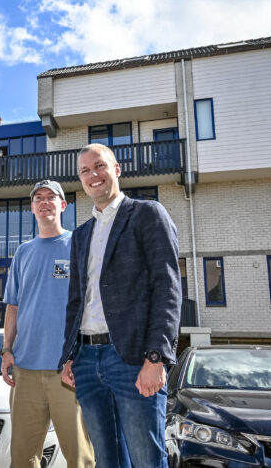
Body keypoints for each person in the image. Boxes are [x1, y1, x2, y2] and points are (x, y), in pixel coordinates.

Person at [60, 143, 182, 468]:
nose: (92, 175)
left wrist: (156, 356)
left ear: (116, 169)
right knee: (106, 461)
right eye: (84, 171)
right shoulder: (81, 235)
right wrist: (70, 356)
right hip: (86, 362)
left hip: (131, 358)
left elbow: (167, 288)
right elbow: (76, 300)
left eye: (99, 166)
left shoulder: (147, 214)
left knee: (147, 461)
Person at [2, 180, 94, 468]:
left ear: (63, 205)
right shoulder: (23, 252)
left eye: (51, 197)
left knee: (79, 458)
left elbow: (92, 305)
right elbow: (13, 306)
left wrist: (81, 357)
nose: (44, 202)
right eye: (38, 198)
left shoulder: (78, 245)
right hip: (25, 371)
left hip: (67, 371)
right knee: (22, 459)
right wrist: (6, 349)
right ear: (32, 208)